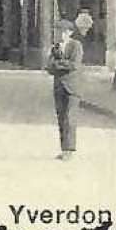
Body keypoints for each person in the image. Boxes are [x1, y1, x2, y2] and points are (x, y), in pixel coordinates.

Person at [45, 20, 84, 160]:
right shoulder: (55, 48)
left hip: (73, 88)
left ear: (70, 32)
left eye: (63, 31)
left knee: (70, 118)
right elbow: (48, 66)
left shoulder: (76, 46)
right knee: (61, 118)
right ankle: (63, 149)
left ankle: (70, 150)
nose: (60, 34)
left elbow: (74, 65)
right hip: (58, 87)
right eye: (57, 31)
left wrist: (57, 64)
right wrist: (60, 65)